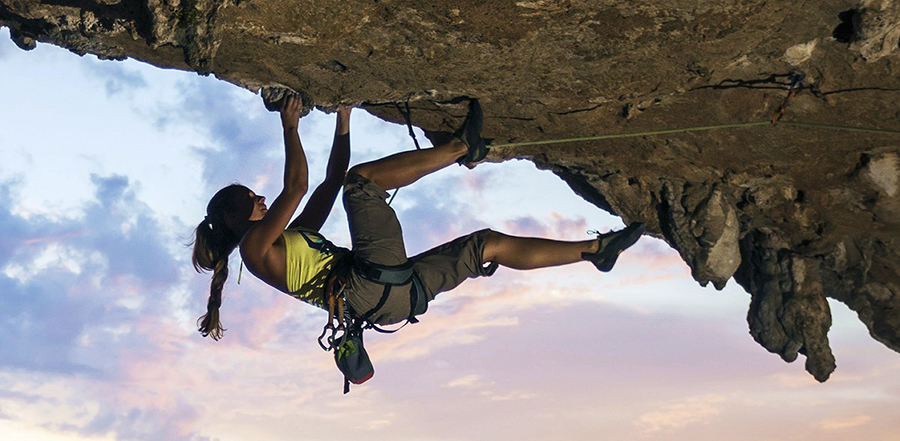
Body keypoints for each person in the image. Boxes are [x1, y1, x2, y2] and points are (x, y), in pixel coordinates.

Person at [192, 95, 644, 340]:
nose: (261, 198)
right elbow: (298, 187)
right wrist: (289, 126)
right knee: (362, 184)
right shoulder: (255, 251)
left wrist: (343, 116)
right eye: (248, 199)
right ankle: (463, 147)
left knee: (486, 244)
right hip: (369, 284)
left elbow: (328, 181)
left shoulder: (291, 243)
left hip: (395, 300)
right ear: (231, 219)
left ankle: (595, 251)